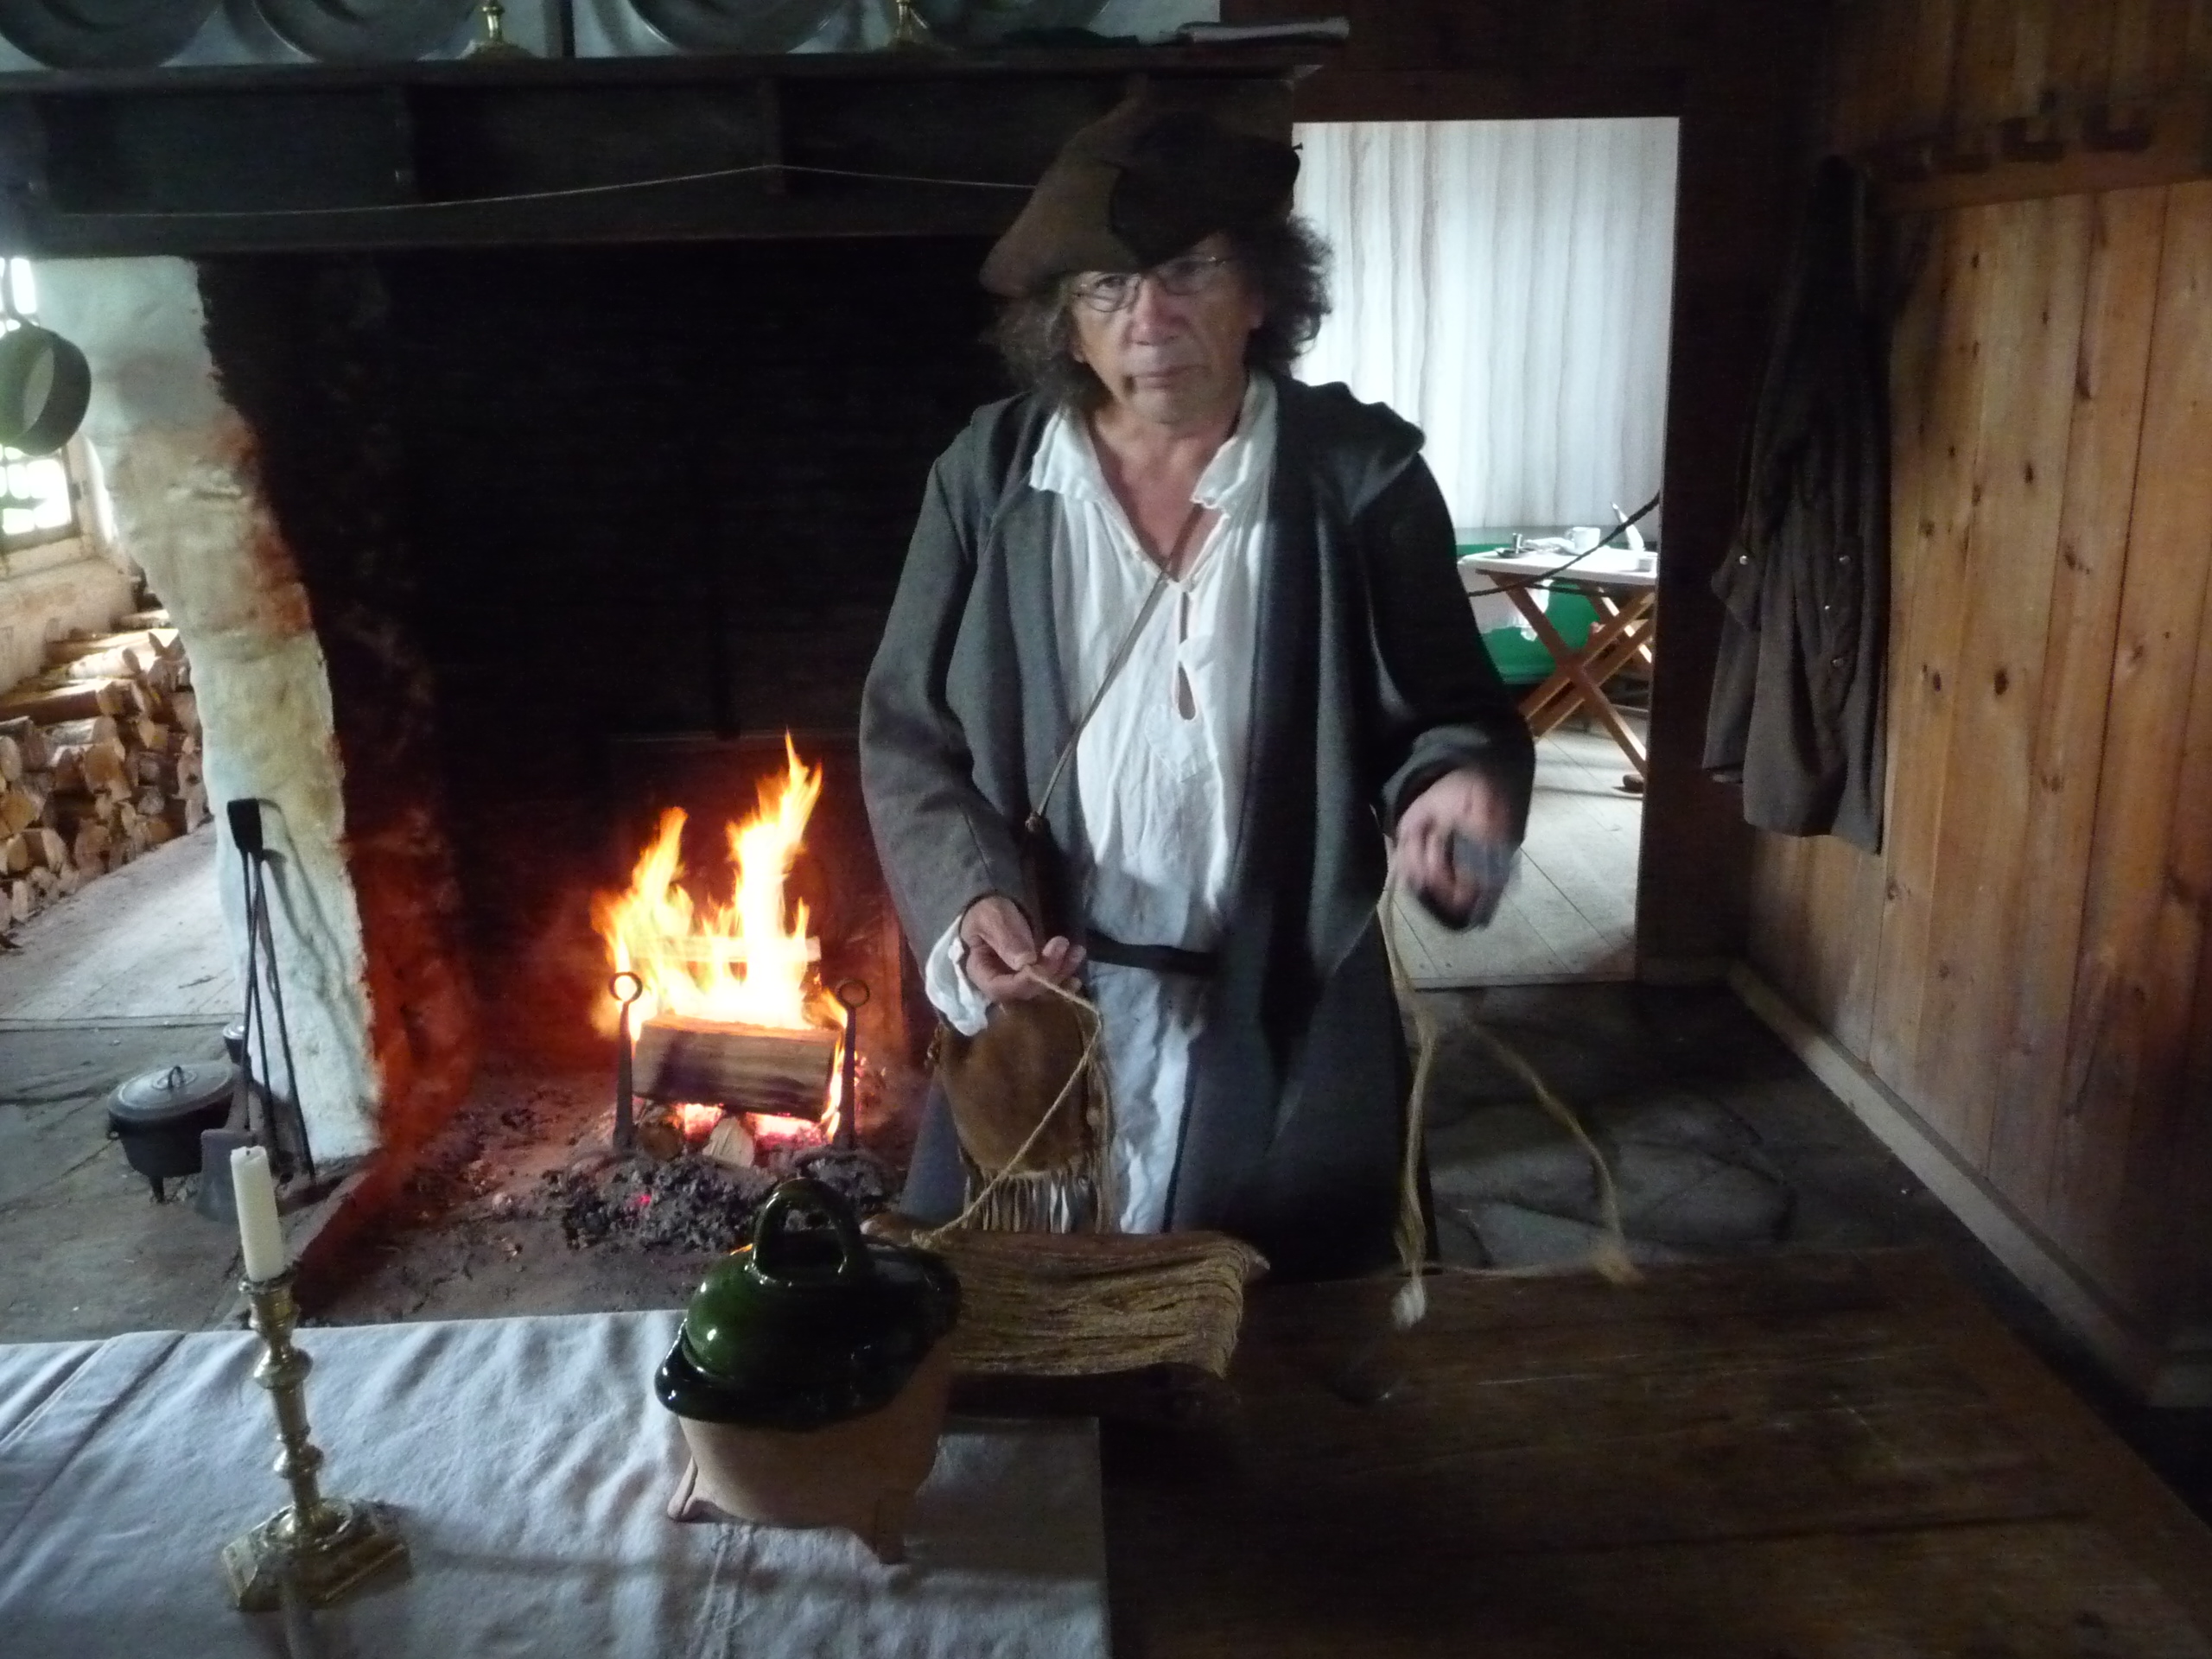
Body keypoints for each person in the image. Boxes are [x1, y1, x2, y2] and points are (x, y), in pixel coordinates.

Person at [859, 96, 1534, 1277]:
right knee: (1024, 1313)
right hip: (1054, 1018)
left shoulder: (1359, 480)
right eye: (1107, 287)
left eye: (1188, 271)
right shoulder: (991, 481)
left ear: (1261, 292)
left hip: (1283, 999)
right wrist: (970, 903)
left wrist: (1454, 787)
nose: (1150, 317)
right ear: (1066, 326)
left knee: (1289, 1322)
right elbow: (907, 733)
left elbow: (1449, 713)